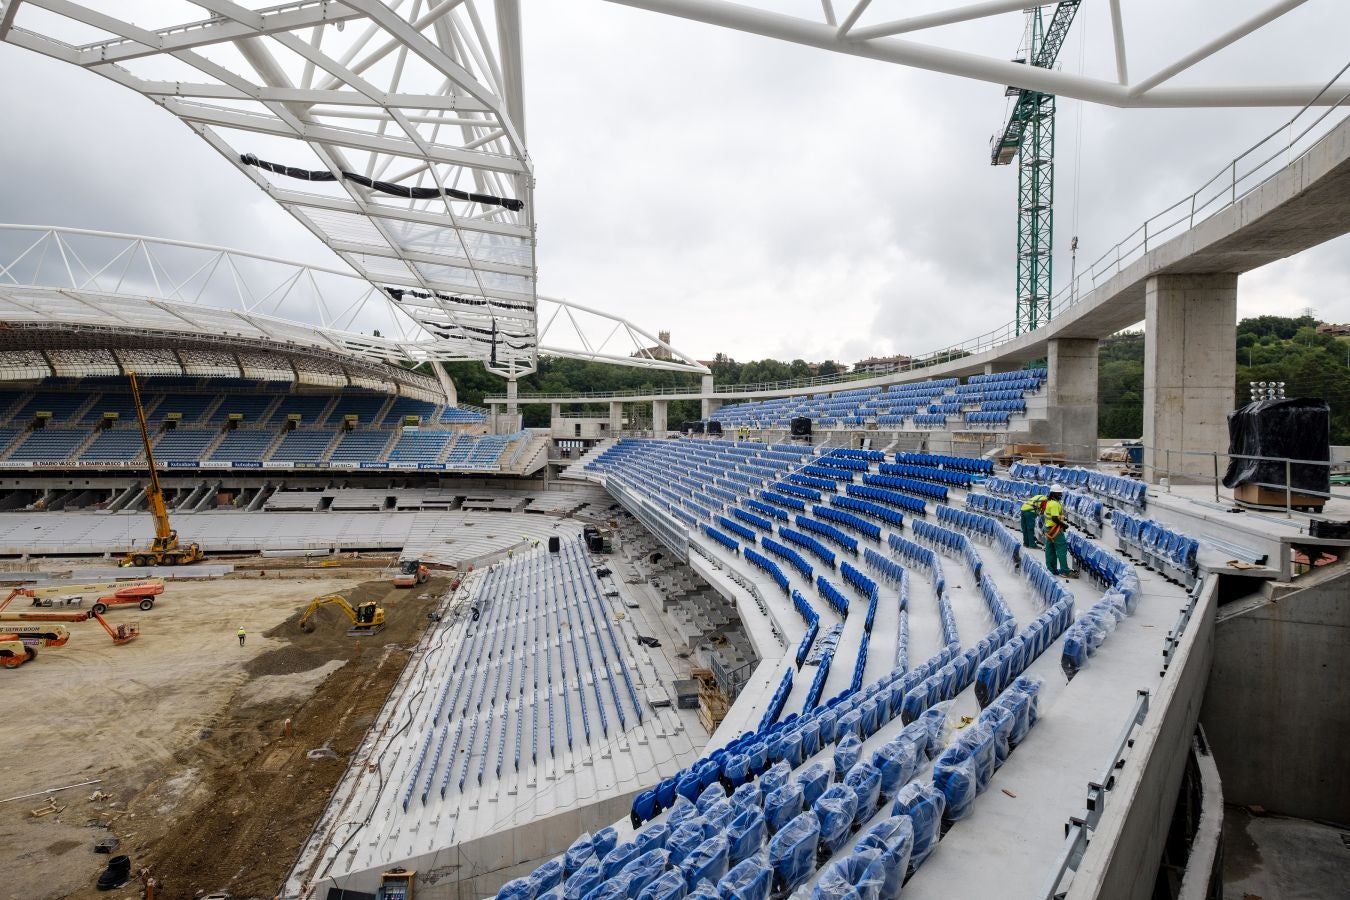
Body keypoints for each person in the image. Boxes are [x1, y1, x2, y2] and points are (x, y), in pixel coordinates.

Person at [1042, 486, 1078, 578]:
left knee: (1050, 550)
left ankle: (1051, 569)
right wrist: (1064, 525)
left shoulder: (1049, 502)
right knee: (1061, 549)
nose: (1060, 495)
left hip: (1049, 529)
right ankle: (1065, 571)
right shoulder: (1054, 504)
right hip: (1055, 530)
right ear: (1054, 493)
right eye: (1059, 493)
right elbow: (1054, 518)